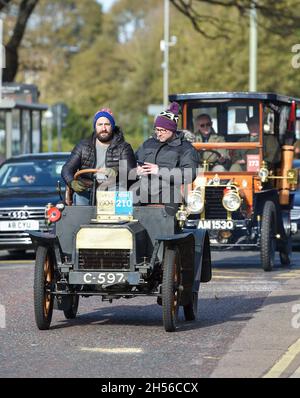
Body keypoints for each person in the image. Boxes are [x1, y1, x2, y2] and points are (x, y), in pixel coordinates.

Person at [62, 108, 136, 205]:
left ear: (112, 126)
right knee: (79, 198)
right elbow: (67, 169)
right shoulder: (83, 146)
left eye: (107, 124)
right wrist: (72, 182)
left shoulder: (123, 147)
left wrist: (116, 172)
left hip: (114, 187)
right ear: (95, 127)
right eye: (100, 124)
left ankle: (120, 219)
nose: (103, 128)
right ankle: (83, 220)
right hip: (87, 187)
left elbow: (131, 171)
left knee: (120, 195)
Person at [135, 102, 199, 213]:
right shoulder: (148, 144)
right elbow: (133, 161)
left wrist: (159, 171)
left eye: (162, 130)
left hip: (170, 191)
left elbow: (189, 174)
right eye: (157, 129)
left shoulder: (186, 148)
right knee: (126, 203)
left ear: (172, 129)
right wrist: (136, 170)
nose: (158, 134)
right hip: (144, 188)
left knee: (169, 211)